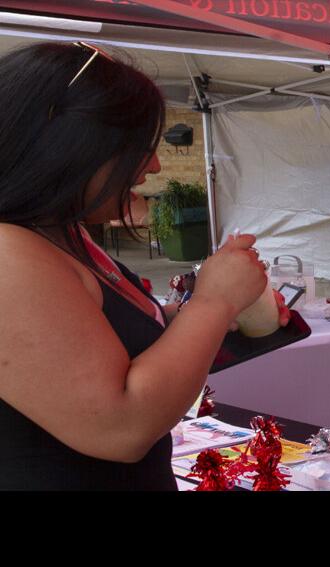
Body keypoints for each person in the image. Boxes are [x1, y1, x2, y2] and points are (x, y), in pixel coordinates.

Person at [0, 42, 282, 489]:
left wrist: (216, 314)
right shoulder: (8, 254)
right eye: (136, 147)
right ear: (66, 147)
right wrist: (214, 301)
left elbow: (105, 344)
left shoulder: (64, 234)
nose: (151, 166)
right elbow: (119, 427)